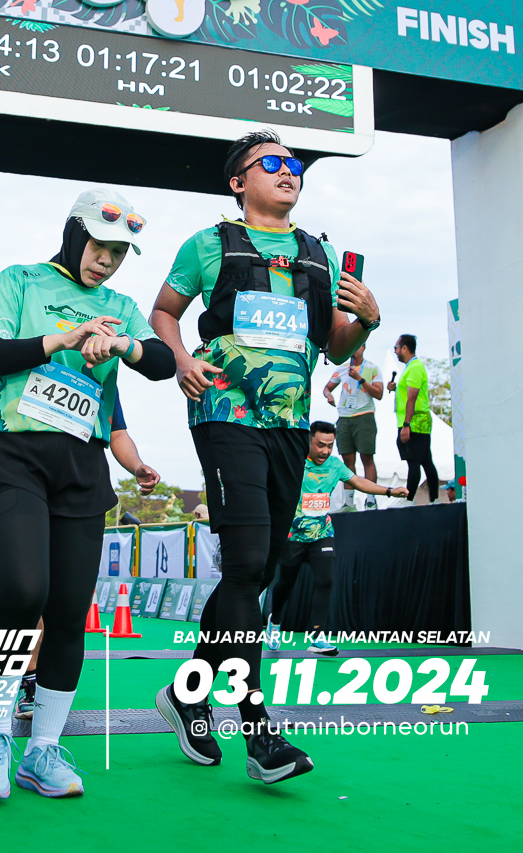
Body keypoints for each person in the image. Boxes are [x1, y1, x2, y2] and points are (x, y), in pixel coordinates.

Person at [149, 129, 381, 785]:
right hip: (225, 415)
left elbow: (334, 347)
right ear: (238, 181)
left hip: (290, 426)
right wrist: (181, 360)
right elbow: (164, 311)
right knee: (248, 563)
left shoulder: (320, 254)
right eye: (272, 163)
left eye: (295, 165)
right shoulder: (209, 244)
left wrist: (367, 320)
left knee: (255, 573)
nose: (289, 172)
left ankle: (188, 694)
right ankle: (258, 731)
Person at [0, 187, 174, 801]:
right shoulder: (20, 281)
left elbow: (160, 362)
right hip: (10, 455)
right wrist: (64, 338)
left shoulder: (121, 307)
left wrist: (122, 344)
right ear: (74, 233)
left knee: (70, 610)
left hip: (79, 466)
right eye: (99, 246)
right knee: (26, 590)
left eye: (119, 253)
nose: (106, 261)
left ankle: (42, 751)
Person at [268, 422, 406, 656]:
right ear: (309, 441)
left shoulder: (334, 465)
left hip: (322, 533)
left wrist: (390, 491)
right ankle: (275, 621)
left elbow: (359, 482)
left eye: (330, 446)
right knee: (286, 583)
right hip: (293, 536)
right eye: (320, 445)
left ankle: (317, 636)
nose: (325, 451)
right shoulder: (294, 461)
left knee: (325, 581)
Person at [322, 344, 384, 507]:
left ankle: (371, 500)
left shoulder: (372, 368)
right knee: (347, 460)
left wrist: (360, 379)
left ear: (363, 347)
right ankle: (348, 504)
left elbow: (379, 394)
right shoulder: (342, 368)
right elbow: (327, 388)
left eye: (357, 346)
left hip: (364, 416)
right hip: (344, 418)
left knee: (367, 457)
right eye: (352, 346)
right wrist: (329, 395)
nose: (354, 349)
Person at [387, 335, 438, 504]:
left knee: (414, 461)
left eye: (396, 348)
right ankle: (434, 499)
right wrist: (396, 389)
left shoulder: (415, 367)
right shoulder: (410, 367)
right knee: (425, 460)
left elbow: (412, 397)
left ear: (404, 348)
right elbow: (407, 394)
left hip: (415, 421)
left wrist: (406, 425)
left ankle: (409, 500)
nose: (395, 351)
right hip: (416, 421)